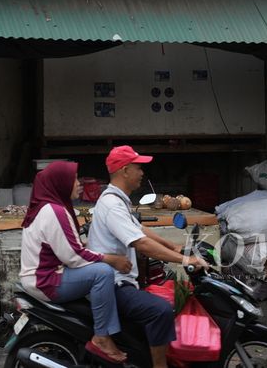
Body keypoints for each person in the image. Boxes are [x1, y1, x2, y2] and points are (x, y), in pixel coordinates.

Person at [87, 146, 209, 368]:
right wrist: (184, 261)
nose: (142, 172)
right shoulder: (112, 205)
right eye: (138, 167)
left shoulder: (117, 200)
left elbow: (140, 230)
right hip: (115, 284)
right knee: (160, 311)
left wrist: (174, 246)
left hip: (121, 280)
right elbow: (141, 243)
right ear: (124, 170)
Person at [19, 161, 133, 364]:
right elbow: (74, 256)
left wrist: (97, 250)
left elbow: (69, 247)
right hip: (46, 280)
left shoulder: (48, 207)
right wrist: (111, 259)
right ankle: (102, 337)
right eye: (73, 179)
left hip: (41, 277)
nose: (79, 183)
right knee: (102, 273)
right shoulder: (54, 211)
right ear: (60, 182)